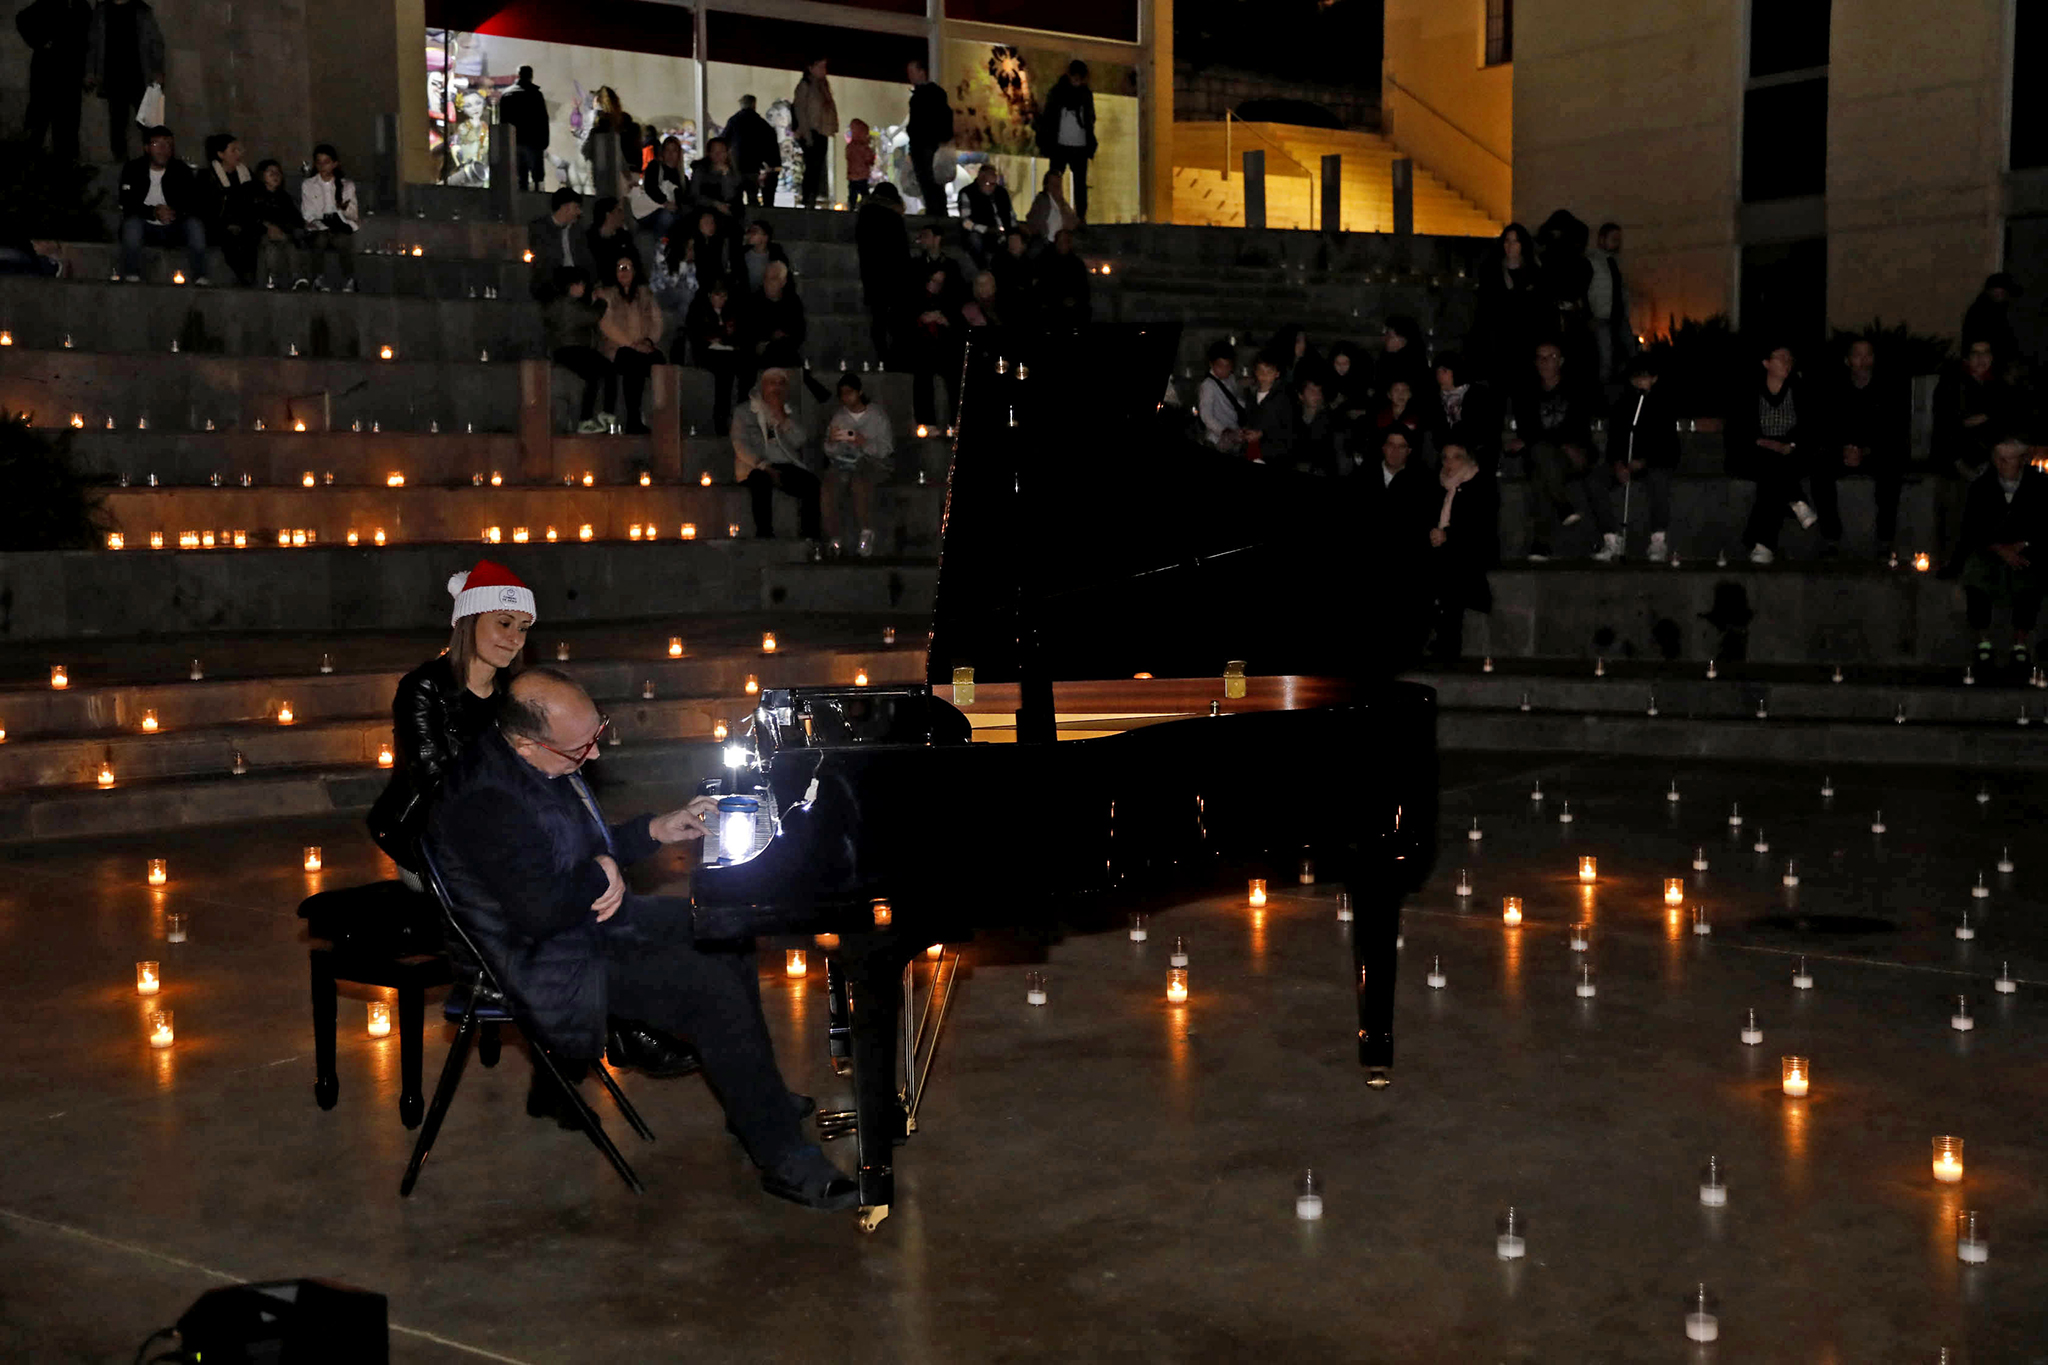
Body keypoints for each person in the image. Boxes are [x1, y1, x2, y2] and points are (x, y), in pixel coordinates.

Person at [425, 667, 854, 1208]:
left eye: (598, 733)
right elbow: (539, 912)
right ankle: (781, 1157)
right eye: (583, 748)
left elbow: (581, 852)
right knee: (708, 989)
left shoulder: (535, 764)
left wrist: (654, 829)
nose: (597, 756)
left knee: (723, 928)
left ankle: (753, 1093)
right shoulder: (484, 801)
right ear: (528, 745)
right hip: (543, 958)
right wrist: (602, 868)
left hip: (582, 923)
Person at [368, 560, 533, 886]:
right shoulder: (423, 687)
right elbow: (435, 783)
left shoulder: (514, 693)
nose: (515, 638)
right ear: (469, 623)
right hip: (424, 834)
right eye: (504, 623)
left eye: (524, 627)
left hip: (498, 830)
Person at [1949, 433, 2048, 671]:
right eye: (1999, 459)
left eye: (2008, 460)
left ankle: (2020, 643)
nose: (2002, 465)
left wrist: (2023, 544)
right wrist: (1998, 548)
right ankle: (1983, 642)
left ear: (2022, 460)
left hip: (2028, 549)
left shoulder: (2040, 485)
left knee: (2030, 576)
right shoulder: (1982, 486)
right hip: (1990, 549)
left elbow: (2044, 524)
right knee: (1976, 574)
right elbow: (1971, 528)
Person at [1813, 335, 1905, 560]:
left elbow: (1893, 431)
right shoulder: (1834, 388)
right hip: (1842, 452)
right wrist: (1844, 450)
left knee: (1891, 472)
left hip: (1875, 453)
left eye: (1868, 355)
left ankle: (1885, 540)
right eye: (1857, 355)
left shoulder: (1888, 388)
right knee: (1820, 473)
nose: (1863, 360)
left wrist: (1864, 451)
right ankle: (1831, 538)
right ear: (1847, 360)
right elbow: (1826, 426)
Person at [1507, 339, 1599, 559]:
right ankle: (1562, 508)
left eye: (1551, 357)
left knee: (1541, 454)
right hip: (1543, 456)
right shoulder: (1526, 393)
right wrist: (1538, 440)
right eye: (1540, 357)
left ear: (1561, 361)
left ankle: (1541, 542)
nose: (1545, 362)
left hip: (1572, 455)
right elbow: (1528, 428)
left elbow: (1573, 428)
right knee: (1541, 462)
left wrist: (1538, 440)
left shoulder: (1575, 389)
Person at [1585, 352, 1681, 562]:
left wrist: (1643, 461)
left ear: (1654, 379)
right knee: (1594, 480)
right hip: (1625, 462)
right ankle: (1611, 539)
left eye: (1644, 377)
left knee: (1659, 479)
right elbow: (1614, 443)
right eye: (1635, 378)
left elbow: (1669, 448)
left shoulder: (1664, 405)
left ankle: (1658, 541)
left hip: (1653, 464)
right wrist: (1618, 464)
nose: (1639, 382)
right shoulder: (1622, 405)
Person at [1724, 341, 1813, 565]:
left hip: (1788, 454)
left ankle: (1762, 544)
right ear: (1766, 363)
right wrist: (1762, 442)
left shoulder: (1798, 390)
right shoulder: (1749, 390)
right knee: (1772, 465)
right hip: (1755, 453)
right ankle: (1796, 499)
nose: (1787, 363)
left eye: (1789, 359)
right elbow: (1738, 429)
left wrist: (1789, 445)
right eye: (1781, 358)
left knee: (1773, 477)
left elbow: (1809, 427)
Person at [1931, 337, 2018, 568]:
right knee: (1953, 519)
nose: (1981, 359)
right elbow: (1948, 426)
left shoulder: (1997, 386)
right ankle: (1949, 566)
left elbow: (2003, 421)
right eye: (1975, 354)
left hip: (1989, 462)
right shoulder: (1952, 384)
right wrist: (1959, 462)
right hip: (1955, 462)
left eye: (1986, 353)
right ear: (1967, 359)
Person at [1425, 441, 1500, 663]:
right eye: (1445, 457)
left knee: (1452, 567)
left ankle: (1448, 639)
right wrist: (1433, 532)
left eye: (1456, 457)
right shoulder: (1436, 482)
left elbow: (1480, 525)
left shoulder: (1482, 483)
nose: (1449, 463)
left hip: (1472, 546)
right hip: (1441, 545)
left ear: (1468, 459)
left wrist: (1448, 535)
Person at [733, 367, 822, 540]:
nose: (777, 388)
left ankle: (810, 536)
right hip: (755, 466)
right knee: (761, 481)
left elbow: (800, 440)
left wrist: (782, 417)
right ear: (762, 386)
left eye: (781, 384)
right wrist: (764, 465)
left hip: (785, 463)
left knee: (811, 483)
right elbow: (740, 444)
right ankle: (765, 534)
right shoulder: (744, 412)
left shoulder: (789, 411)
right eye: (772, 383)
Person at [116, 124, 205, 283]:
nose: (163, 149)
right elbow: (127, 202)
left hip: (174, 225)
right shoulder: (133, 168)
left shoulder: (180, 170)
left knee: (195, 225)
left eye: (168, 144)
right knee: (131, 226)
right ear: (147, 148)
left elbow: (193, 201)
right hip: (145, 223)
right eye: (157, 144)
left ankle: (200, 276)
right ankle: (131, 275)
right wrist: (153, 212)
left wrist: (173, 212)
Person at [824, 372, 894, 555]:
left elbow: (886, 449)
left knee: (859, 481)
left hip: (873, 462)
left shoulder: (877, 415)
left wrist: (863, 442)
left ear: (859, 392)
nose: (846, 397)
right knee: (829, 486)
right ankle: (834, 537)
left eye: (850, 392)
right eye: (843, 394)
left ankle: (866, 533)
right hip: (845, 461)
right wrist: (832, 442)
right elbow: (829, 450)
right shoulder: (839, 417)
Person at [1469, 222, 1545, 388]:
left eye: (1515, 241)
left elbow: (1538, 308)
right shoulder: (1491, 270)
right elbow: (1485, 307)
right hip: (1497, 341)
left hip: (1525, 341)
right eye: (1507, 241)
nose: (1510, 246)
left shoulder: (1533, 272)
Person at [84, 0, 162, 161]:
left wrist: (157, 70)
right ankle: (121, 161)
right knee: (118, 123)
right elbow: (93, 44)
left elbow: (155, 42)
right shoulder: (102, 11)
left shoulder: (142, 10)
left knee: (150, 124)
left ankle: (153, 162)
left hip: (140, 76)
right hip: (114, 77)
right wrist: (90, 71)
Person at [595, 253, 663, 434]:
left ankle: (665, 422)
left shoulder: (645, 294)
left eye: (627, 268)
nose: (623, 272)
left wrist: (648, 341)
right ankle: (633, 419)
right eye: (619, 268)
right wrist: (632, 344)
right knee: (632, 360)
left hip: (645, 346)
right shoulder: (606, 294)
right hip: (618, 348)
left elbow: (657, 321)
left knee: (659, 361)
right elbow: (606, 324)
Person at [18, 0, 89, 162]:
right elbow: (22, 18)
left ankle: (65, 168)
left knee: (67, 125)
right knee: (38, 120)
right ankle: (28, 165)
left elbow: (87, 40)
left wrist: (86, 71)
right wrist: (40, 41)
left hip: (71, 75)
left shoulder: (82, 7)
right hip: (46, 73)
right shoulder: (49, 3)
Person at [545, 267, 613, 433]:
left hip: (567, 349)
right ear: (572, 286)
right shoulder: (566, 305)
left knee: (594, 375)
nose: (583, 288)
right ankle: (601, 415)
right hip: (571, 349)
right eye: (580, 284)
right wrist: (601, 301)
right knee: (606, 370)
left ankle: (588, 418)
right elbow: (592, 316)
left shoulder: (561, 304)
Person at [1033, 60, 1096, 222]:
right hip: (1061, 145)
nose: (1077, 82)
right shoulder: (1059, 92)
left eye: (1079, 79)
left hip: (1078, 145)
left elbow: (1090, 119)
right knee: (1054, 180)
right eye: (1075, 78)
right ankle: (1050, 213)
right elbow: (1049, 118)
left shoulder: (1083, 94)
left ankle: (1080, 216)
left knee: (1080, 184)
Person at [223, 157, 298, 287]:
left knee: (289, 246)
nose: (275, 175)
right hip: (254, 234)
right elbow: (246, 215)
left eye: (278, 172)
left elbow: (294, 219)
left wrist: (280, 229)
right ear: (262, 175)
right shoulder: (249, 191)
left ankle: (297, 279)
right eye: (271, 172)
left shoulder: (284, 197)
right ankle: (271, 281)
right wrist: (266, 226)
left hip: (280, 235)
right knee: (270, 248)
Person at [905, 263, 962, 429]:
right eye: (934, 281)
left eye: (940, 283)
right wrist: (921, 319)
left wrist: (944, 321)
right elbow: (904, 323)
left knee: (956, 374)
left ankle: (954, 422)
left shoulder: (947, 299)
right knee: (923, 374)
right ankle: (927, 423)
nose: (937, 286)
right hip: (920, 348)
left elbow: (957, 326)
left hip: (944, 349)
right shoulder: (915, 297)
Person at [855, 182, 907, 361]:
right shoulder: (894, 216)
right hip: (893, 273)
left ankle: (883, 355)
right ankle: (895, 355)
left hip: (872, 273)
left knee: (878, 317)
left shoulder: (865, 213)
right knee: (896, 318)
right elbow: (901, 249)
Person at [685, 275, 744, 434]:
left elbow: (738, 335)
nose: (721, 299)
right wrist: (719, 335)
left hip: (730, 353)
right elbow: (698, 334)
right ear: (710, 295)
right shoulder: (698, 309)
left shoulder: (732, 309)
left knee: (745, 366)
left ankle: (742, 412)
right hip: (708, 354)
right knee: (724, 371)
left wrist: (725, 337)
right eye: (718, 295)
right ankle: (720, 418)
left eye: (724, 295)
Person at [296, 143, 357, 292]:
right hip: (319, 228)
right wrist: (322, 222)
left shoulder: (347, 185)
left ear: (335, 164)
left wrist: (343, 208)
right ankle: (318, 278)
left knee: (342, 240)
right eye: (319, 162)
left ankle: (350, 279)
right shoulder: (309, 184)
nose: (323, 166)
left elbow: (353, 214)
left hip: (339, 226)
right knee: (321, 239)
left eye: (326, 162)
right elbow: (308, 213)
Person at [743, 258, 809, 395]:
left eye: (772, 279)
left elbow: (798, 332)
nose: (768, 283)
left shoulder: (792, 302)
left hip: (784, 350)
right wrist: (768, 338)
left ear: (783, 282)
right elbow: (748, 331)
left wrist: (779, 338)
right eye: (766, 278)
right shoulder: (754, 301)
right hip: (759, 354)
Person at [1431, 350, 1503, 471]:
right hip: (1446, 454)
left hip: (1475, 454)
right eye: (1437, 371)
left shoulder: (1478, 394)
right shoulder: (1434, 399)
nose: (1439, 375)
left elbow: (1485, 429)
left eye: (1444, 371)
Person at [1587, 222, 1637, 384]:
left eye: (1618, 239)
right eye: (1613, 239)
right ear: (1602, 239)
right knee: (1606, 358)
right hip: (1601, 317)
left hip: (1618, 316)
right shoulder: (1593, 262)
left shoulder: (1615, 262)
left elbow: (1621, 289)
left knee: (1630, 353)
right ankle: (1604, 394)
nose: (1617, 243)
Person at [905, 58, 953, 216]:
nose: (910, 76)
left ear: (921, 72)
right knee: (933, 184)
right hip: (927, 146)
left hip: (926, 146)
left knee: (929, 184)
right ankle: (937, 214)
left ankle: (935, 215)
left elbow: (920, 125)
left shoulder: (924, 96)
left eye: (912, 72)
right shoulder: (934, 94)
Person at [527, 187, 591, 302]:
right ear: (565, 208)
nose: (579, 212)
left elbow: (586, 259)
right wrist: (567, 285)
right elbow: (545, 263)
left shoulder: (577, 230)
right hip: (552, 282)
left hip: (576, 278)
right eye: (576, 207)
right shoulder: (540, 228)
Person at [190, 132, 248, 254]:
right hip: (216, 227)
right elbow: (203, 210)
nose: (239, 153)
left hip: (242, 225)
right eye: (233, 150)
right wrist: (226, 225)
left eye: (239, 149)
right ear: (221, 154)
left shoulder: (246, 175)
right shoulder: (206, 177)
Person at [791, 60, 838, 209]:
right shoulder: (806, 86)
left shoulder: (822, 86)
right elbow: (800, 110)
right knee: (812, 165)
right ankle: (808, 198)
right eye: (820, 67)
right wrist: (806, 133)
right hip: (811, 130)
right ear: (810, 68)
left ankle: (812, 197)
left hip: (821, 130)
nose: (823, 70)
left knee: (817, 167)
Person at [498, 66, 549, 192]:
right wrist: (544, 141)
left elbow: (503, 121)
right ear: (531, 76)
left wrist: (505, 143)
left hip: (515, 141)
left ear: (518, 75)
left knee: (520, 178)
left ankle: (520, 206)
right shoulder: (536, 94)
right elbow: (543, 119)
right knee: (537, 179)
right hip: (533, 141)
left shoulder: (507, 94)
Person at [724, 94, 781, 208]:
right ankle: (754, 218)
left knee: (736, 198)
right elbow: (771, 146)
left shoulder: (734, 121)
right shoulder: (761, 123)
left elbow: (723, 139)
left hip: (737, 166)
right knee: (752, 197)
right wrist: (773, 166)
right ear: (754, 105)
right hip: (754, 168)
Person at [1241, 353, 1295, 467]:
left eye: (1269, 372)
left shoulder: (1282, 398)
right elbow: (1249, 419)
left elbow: (1287, 429)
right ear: (1255, 372)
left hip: (1275, 454)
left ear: (1277, 374)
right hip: (1254, 449)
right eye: (1261, 371)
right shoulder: (1251, 395)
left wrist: (1263, 434)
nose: (1264, 376)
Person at [581, 86, 635, 198]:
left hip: (598, 177)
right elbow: (619, 156)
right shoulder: (613, 128)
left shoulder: (596, 123)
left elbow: (586, 150)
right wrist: (628, 177)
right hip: (612, 178)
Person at [958, 164, 1015, 268]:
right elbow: (966, 222)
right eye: (989, 184)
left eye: (994, 184)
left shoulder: (1001, 192)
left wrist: (1013, 230)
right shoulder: (967, 193)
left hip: (1003, 232)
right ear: (980, 179)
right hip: (982, 233)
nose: (992, 188)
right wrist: (987, 229)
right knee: (975, 239)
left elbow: (1010, 215)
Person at [1961, 273, 2021, 368]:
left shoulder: (1998, 309)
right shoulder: (1982, 311)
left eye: (2005, 292)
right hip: (1986, 365)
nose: (2003, 295)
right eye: (2000, 291)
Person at [633, 135, 685, 243]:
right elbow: (650, 187)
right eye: (667, 150)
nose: (670, 154)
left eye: (674, 151)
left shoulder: (681, 177)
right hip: (649, 211)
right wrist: (665, 202)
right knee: (667, 217)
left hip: (669, 210)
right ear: (663, 152)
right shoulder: (655, 166)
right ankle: (660, 247)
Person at [1036, 227, 1091, 327]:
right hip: (1051, 303)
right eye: (1059, 242)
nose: (1062, 245)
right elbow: (1042, 285)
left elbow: (1083, 287)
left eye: (1065, 241)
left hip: (1072, 304)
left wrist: (1075, 299)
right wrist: (1056, 300)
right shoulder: (1046, 261)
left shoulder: (1077, 263)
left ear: (1069, 244)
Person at [1197, 339, 1245, 453]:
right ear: (1211, 364)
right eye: (1220, 366)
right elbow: (1206, 415)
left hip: (1233, 431)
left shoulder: (1231, 378)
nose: (1224, 370)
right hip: (1217, 438)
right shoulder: (1208, 385)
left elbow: (1234, 400)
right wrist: (1223, 431)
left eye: (1227, 366)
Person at [688, 135, 744, 222]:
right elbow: (694, 195)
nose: (718, 155)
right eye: (714, 151)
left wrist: (725, 175)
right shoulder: (700, 170)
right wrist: (715, 204)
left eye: (721, 151)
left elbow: (729, 196)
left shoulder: (733, 172)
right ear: (709, 153)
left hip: (729, 210)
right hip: (705, 209)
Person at [989, 227, 1036, 330]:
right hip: (1008, 304)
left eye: (1015, 240)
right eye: (1010, 240)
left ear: (1024, 244)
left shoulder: (1028, 262)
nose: (1012, 243)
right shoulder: (999, 260)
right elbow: (1006, 283)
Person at [585, 195, 639, 279]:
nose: (622, 215)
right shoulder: (589, 239)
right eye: (619, 211)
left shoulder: (624, 237)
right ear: (608, 215)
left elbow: (635, 263)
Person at [1373, 316, 1427, 399]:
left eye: (1389, 335)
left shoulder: (1414, 366)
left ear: (1403, 339)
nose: (1384, 339)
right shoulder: (1384, 359)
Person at [1293, 377, 1336, 476]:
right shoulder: (1293, 420)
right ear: (1301, 395)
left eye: (1319, 391)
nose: (1316, 395)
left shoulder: (1330, 420)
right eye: (1311, 391)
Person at [738, 217, 791, 295]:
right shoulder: (741, 255)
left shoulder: (776, 256)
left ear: (765, 237)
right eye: (749, 231)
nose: (750, 235)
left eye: (754, 232)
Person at [1025, 167, 1079, 241]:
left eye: (1058, 185)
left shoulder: (1063, 203)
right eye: (1053, 184)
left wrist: (1061, 204)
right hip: (1045, 241)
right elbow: (1034, 221)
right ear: (1047, 185)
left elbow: (1072, 224)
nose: (1056, 187)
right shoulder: (1042, 200)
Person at [844, 118, 876, 208]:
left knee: (852, 193)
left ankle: (851, 206)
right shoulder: (864, 147)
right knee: (865, 193)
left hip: (852, 176)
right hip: (863, 175)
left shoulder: (850, 146)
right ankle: (866, 207)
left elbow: (848, 157)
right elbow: (869, 159)